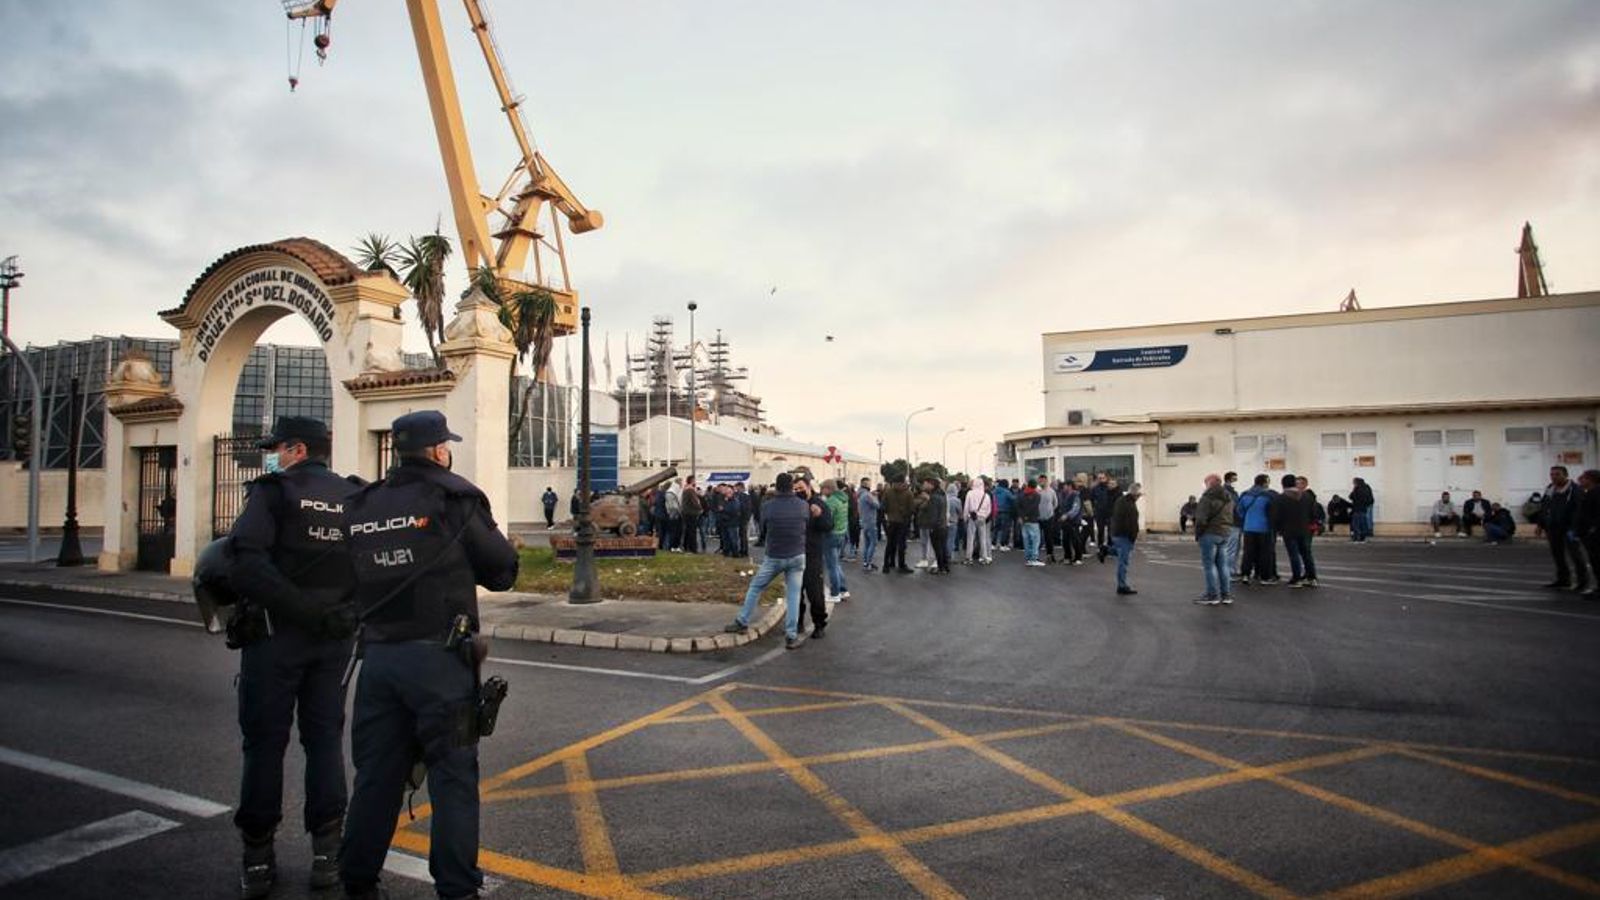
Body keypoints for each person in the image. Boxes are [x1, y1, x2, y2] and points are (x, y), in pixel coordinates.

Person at [339, 411, 519, 900]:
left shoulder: (363, 503)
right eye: (446, 446)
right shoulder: (454, 497)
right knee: (453, 777)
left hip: (378, 661)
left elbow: (346, 579)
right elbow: (503, 570)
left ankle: (356, 880)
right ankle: (457, 889)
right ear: (439, 450)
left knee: (376, 777)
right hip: (440, 663)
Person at [227, 416, 362, 900]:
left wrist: (301, 610)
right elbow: (373, 563)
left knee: (264, 743)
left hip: (276, 636)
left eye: (280, 448)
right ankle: (328, 854)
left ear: (299, 449)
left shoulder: (273, 492)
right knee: (324, 739)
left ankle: (258, 857)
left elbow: (246, 559)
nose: (276, 456)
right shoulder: (354, 495)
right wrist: (342, 613)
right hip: (334, 637)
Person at [726, 473, 810, 649]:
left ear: (777, 487)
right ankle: (791, 635)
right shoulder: (803, 505)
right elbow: (806, 524)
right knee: (794, 596)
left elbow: (763, 526)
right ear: (792, 487)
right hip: (797, 555)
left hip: (775, 556)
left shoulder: (768, 506)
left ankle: (742, 621)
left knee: (756, 587)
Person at [797, 477, 836, 635]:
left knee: (815, 592)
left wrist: (819, 515)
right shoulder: (793, 504)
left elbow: (828, 526)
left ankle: (819, 624)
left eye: (800, 488)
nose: (797, 491)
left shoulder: (819, 504)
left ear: (808, 487)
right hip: (794, 553)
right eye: (795, 489)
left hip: (812, 553)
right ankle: (797, 622)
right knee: (795, 592)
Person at [1537, 466, 1583, 591]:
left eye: (1557, 474)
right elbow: (1544, 506)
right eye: (1552, 474)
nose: (1554, 477)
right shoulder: (1550, 488)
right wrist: (1540, 524)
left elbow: (1579, 510)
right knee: (1557, 554)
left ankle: (1582, 581)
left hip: (1569, 528)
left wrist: (1574, 527)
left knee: (1575, 555)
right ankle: (1563, 579)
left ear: (1565, 475)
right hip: (1552, 527)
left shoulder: (1574, 489)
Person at [1192, 474, 1234, 606]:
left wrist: (1198, 534)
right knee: (1223, 565)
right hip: (1225, 533)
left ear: (1210, 483)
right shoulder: (1229, 497)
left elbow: (1201, 519)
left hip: (1210, 533)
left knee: (1209, 566)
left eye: (1205, 482)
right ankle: (1226, 595)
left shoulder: (1207, 498)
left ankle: (1212, 595)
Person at [1275, 474, 1319, 588]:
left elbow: (1277, 516)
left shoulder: (1281, 498)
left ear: (1283, 484)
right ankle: (1312, 577)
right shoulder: (1307, 496)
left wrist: (1278, 528)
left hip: (1288, 530)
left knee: (1293, 554)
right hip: (1305, 529)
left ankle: (1296, 578)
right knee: (1306, 553)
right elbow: (1313, 513)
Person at [1237, 474, 1279, 585]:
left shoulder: (1245, 495)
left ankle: (1245, 574)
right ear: (1265, 483)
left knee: (1248, 552)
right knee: (1265, 553)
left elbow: (1239, 510)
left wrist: (1247, 519)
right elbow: (1273, 512)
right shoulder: (1268, 496)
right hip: (1264, 528)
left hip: (1248, 527)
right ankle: (1265, 576)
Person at [1106, 482, 1143, 595]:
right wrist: (1133, 537)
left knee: (1119, 552)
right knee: (1123, 562)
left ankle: (1105, 550)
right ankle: (1122, 586)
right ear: (1135, 493)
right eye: (1138, 494)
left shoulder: (1122, 500)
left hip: (1117, 534)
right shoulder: (1129, 504)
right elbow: (1130, 523)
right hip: (1124, 536)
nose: (1139, 496)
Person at [914, 476, 952, 574]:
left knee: (938, 548)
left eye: (926, 483)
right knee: (943, 547)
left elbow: (933, 514)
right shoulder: (943, 495)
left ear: (931, 485)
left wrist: (932, 526)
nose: (924, 485)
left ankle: (941, 568)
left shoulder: (934, 497)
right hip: (943, 525)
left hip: (936, 526)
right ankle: (945, 567)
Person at [821, 479, 851, 600]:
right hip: (841, 533)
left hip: (831, 535)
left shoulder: (831, 501)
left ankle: (835, 593)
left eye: (822, 488)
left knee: (832, 566)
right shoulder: (843, 499)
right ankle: (843, 589)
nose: (821, 491)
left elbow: (827, 520)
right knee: (836, 564)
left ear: (828, 488)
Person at [881, 473, 915, 574]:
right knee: (900, 544)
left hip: (892, 521)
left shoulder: (888, 492)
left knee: (891, 544)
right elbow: (912, 509)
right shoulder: (908, 493)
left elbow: (883, 507)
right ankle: (901, 565)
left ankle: (887, 565)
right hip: (902, 522)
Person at [1574, 470, 1600, 599]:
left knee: (1597, 560)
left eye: (1583, 478)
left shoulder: (1596, 493)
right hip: (1589, 533)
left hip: (1594, 535)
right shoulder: (1589, 492)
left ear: (1591, 479)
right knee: (1594, 561)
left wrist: (1592, 528)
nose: (1580, 480)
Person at [963, 476, 994, 565]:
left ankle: (969, 557)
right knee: (983, 538)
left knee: (971, 538)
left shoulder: (970, 493)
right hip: (982, 518)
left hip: (972, 518)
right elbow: (989, 509)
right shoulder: (986, 495)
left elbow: (966, 507)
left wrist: (965, 517)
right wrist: (984, 516)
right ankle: (984, 557)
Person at [1059, 479, 1085, 565]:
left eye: (1065, 486)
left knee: (1075, 539)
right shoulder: (1063, 495)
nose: (1063, 487)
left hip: (1073, 521)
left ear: (1069, 486)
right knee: (1065, 540)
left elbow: (1075, 508)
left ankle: (1078, 558)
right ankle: (1067, 557)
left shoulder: (1076, 495)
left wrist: (1067, 515)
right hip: (1064, 521)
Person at [857, 478, 881, 571]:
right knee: (873, 543)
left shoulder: (860, 494)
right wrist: (875, 497)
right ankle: (868, 563)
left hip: (863, 520)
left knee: (867, 543)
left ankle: (866, 562)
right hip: (870, 521)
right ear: (866, 484)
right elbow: (877, 505)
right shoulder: (867, 495)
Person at [1222, 471, 1242, 576]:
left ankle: (1233, 569)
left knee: (1236, 548)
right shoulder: (1226, 492)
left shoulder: (1231, 491)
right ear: (1228, 479)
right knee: (1231, 548)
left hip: (1235, 522)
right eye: (1234, 479)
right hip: (1231, 522)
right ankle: (1229, 571)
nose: (1236, 481)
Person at [680, 477, 703, 553]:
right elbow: (695, 502)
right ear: (692, 481)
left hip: (686, 512)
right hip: (691, 513)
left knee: (687, 530)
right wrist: (700, 508)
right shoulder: (690, 490)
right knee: (692, 531)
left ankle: (686, 546)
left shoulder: (685, 489)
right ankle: (693, 548)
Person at [1350, 477, 1375, 542]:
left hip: (1357, 508)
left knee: (1356, 524)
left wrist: (1354, 490)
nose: (1353, 484)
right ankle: (1363, 537)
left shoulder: (1357, 488)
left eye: (1354, 483)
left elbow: (1351, 496)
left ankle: (1356, 537)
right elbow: (1370, 498)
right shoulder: (1367, 487)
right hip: (1364, 508)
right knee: (1363, 523)